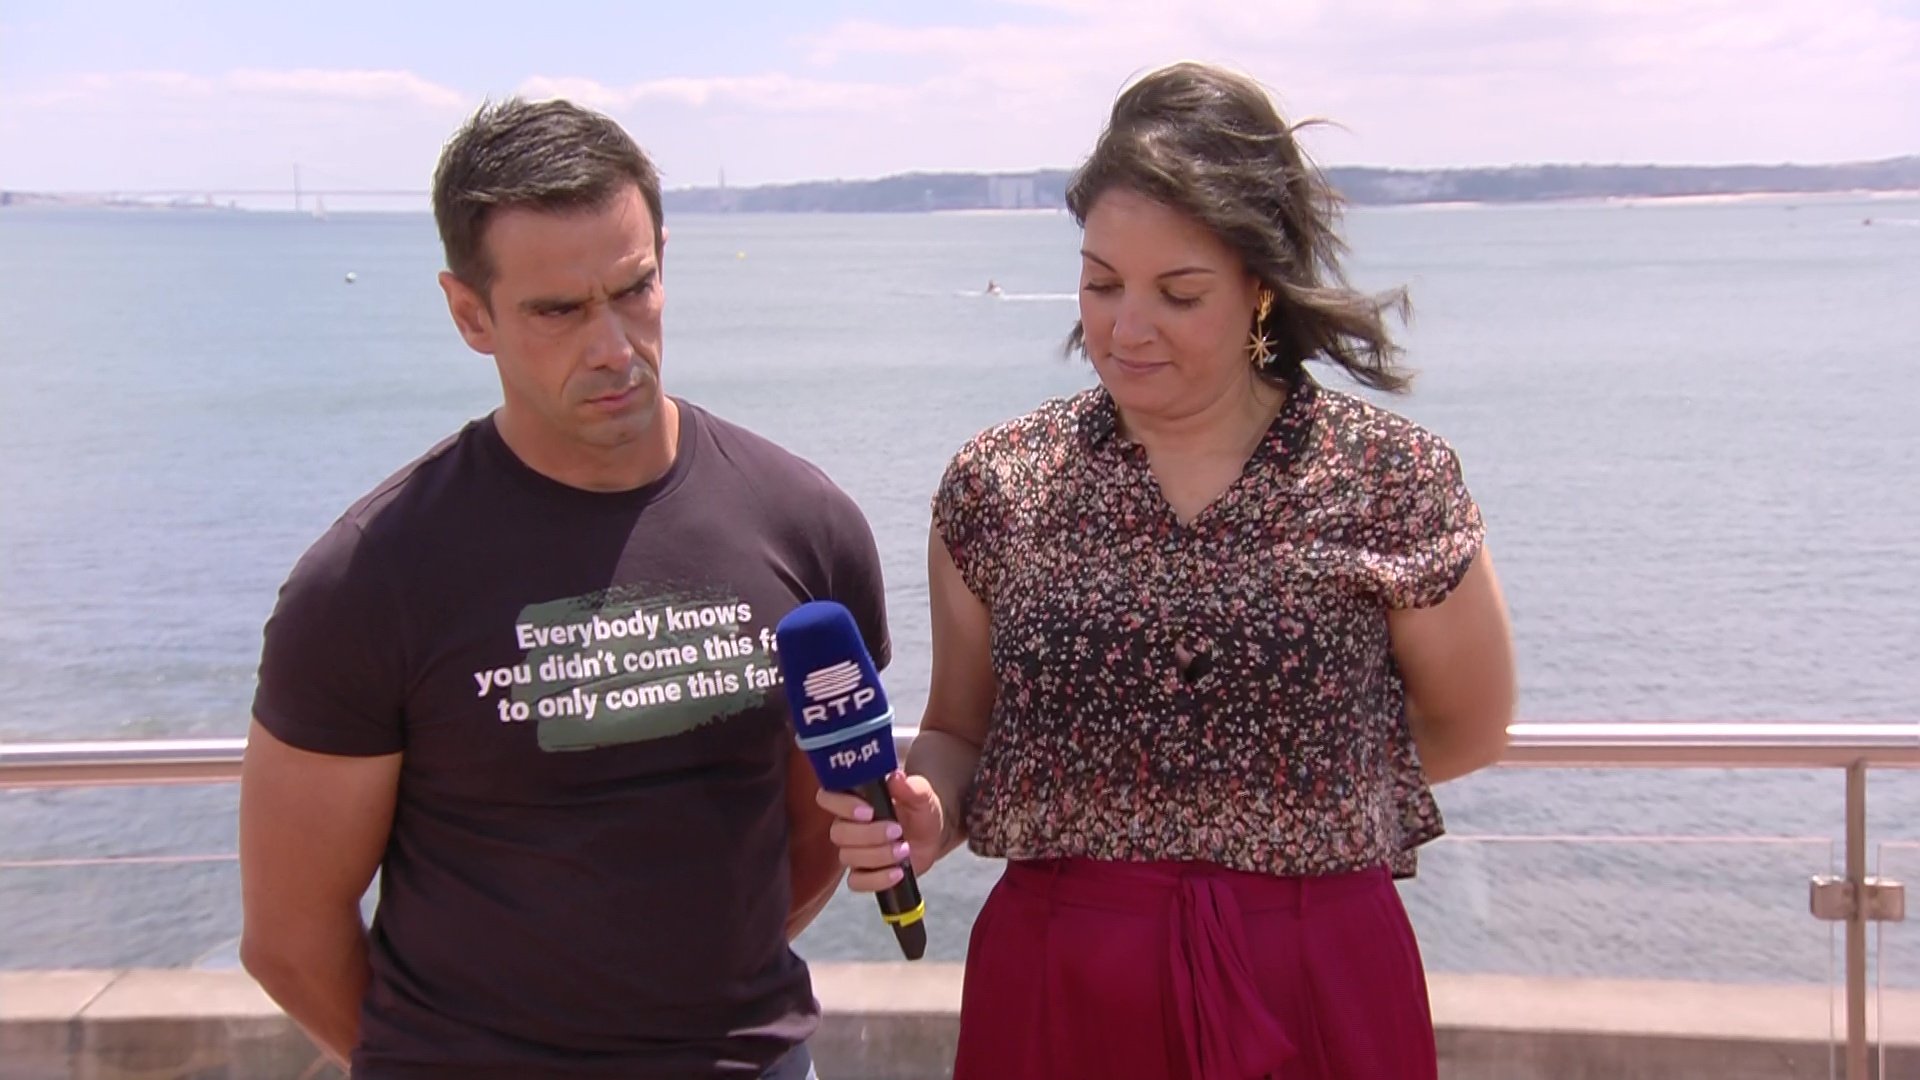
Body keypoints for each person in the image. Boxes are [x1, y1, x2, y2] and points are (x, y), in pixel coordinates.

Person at [819, 61, 1515, 1079]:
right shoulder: (997, 484)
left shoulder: (1390, 479)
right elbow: (964, 729)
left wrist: (1275, 796)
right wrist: (928, 809)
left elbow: (1471, 725)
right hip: (1060, 980)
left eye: (1178, 294)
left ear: (1261, 287)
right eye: (1102, 284)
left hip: (1317, 975)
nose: (1125, 327)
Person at [238, 98, 888, 1079]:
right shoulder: (370, 580)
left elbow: (819, 831)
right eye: (558, 311)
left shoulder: (805, 523)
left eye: (635, 289)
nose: (614, 346)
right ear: (471, 314)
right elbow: (290, 934)